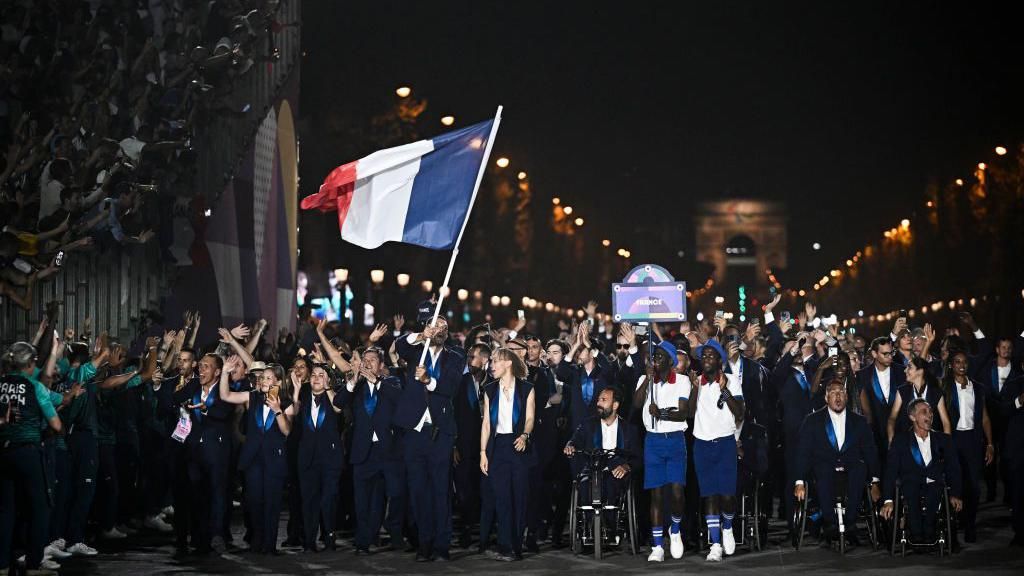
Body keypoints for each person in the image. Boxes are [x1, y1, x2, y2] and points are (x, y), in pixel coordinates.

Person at [394, 314, 465, 562]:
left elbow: (451, 387)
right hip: (414, 432)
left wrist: (428, 380)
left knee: (440, 490)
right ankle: (424, 544)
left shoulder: (456, 356)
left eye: (444, 327)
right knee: (418, 490)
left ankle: (442, 545)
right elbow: (399, 346)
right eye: (436, 326)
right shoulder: (416, 351)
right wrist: (419, 335)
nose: (439, 330)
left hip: (440, 433)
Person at [794, 380, 881, 547]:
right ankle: (830, 524)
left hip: (852, 466)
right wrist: (799, 482)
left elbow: (870, 452)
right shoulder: (812, 421)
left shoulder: (859, 422)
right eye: (833, 393)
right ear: (826, 397)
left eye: (841, 392)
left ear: (847, 397)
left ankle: (850, 523)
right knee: (822, 470)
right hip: (823, 467)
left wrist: (875, 481)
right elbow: (803, 452)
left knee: (860, 469)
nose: (838, 396)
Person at [0, 342, 63, 573]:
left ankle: (2, 565)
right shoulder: (35, 387)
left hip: (4, 452)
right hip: (28, 452)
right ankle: (34, 563)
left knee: (6, 510)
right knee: (40, 508)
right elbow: (55, 424)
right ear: (28, 364)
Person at [218, 358, 292, 554]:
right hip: (253, 459)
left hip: (274, 459)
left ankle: (270, 544)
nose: (262, 380)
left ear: (277, 381)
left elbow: (287, 431)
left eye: (267, 378)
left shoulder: (286, 403)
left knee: (272, 503)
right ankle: (256, 542)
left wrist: (277, 411)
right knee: (254, 502)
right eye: (262, 377)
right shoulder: (252, 397)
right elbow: (225, 395)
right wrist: (225, 372)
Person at [337, 347, 405, 555]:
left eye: (372, 360)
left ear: (381, 365)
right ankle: (364, 541)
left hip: (388, 451)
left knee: (396, 494)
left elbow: (400, 400)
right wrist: (352, 381)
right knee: (364, 500)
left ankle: (395, 534)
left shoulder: (391, 383)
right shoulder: (354, 387)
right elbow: (338, 402)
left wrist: (377, 382)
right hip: (363, 452)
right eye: (364, 360)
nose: (367, 363)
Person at [632, 340, 690, 562]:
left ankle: (674, 530)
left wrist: (662, 413)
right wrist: (647, 378)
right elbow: (637, 404)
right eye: (653, 356)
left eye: (659, 356)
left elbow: (683, 412)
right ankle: (657, 546)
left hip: (675, 439)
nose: (654, 359)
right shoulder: (646, 379)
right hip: (653, 441)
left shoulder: (682, 381)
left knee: (676, 492)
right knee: (656, 494)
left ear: (670, 360)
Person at [172, 353, 233, 554]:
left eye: (207, 367)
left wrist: (206, 408)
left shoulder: (224, 390)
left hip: (216, 450)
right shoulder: (194, 386)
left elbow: (224, 412)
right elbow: (175, 398)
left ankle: (217, 535)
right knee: (197, 494)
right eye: (201, 366)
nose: (201, 370)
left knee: (217, 493)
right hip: (193, 451)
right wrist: (159, 383)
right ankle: (199, 535)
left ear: (217, 372)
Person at [479, 347, 536, 561]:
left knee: (519, 497)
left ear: (508, 363)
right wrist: (483, 452)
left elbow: (530, 417)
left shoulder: (526, 388)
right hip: (497, 447)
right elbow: (486, 424)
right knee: (501, 498)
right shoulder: (489, 389)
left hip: (518, 445)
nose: (491, 365)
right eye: (491, 361)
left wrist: (525, 435)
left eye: (495, 361)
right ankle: (505, 546)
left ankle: (516, 546)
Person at [690, 339, 744, 562]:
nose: (706, 359)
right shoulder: (697, 382)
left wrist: (726, 391)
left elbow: (740, 413)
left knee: (727, 495)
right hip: (702, 443)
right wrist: (694, 389)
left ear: (720, 360)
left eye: (711, 356)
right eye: (703, 356)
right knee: (709, 494)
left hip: (725, 442)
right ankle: (715, 543)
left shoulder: (731, 380)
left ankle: (728, 527)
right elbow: (689, 413)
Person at [565, 386, 640, 544]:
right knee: (585, 486)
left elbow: (638, 458)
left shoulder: (629, 430)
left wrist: (626, 467)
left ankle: (610, 528)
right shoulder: (587, 425)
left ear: (615, 405)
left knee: (612, 484)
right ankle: (589, 527)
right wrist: (570, 445)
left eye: (604, 400)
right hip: (592, 469)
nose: (598, 403)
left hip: (615, 471)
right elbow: (575, 440)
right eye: (599, 399)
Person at [881, 399, 963, 544]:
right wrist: (888, 500)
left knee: (935, 489)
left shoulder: (943, 440)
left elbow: (954, 469)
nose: (930, 415)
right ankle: (917, 533)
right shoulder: (900, 441)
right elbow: (890, 471)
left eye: (931, 412)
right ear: (913, 417)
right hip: (910, 484)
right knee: (911, 490)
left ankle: (930, 531)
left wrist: (955, 494)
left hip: (934, 484)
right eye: (924, 412)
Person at [941, 351, 994, 544]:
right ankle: (956, 523)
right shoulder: (944, 387)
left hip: (972, 439)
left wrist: (989, 444)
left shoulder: (978, 388)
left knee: (973, 485)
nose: (961, 365)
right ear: (951, 365)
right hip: (953, 439)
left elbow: (985, 417)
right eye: (957, 362)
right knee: (956, 483)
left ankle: (970, 525)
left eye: (964, 362)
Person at [294, 363, 345, 552]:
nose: (316, 378)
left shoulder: (334, 397)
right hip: (307, 458)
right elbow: (294, 415)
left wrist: (329, 387)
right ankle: (309, 541)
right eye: (314, 374)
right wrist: (296, 391)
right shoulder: (304, 396)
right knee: (309, 500)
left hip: (330, 457)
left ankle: (329, 536)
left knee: (329, 499)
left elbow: (339, 408)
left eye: (321, 375)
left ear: (329, 379)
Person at [453, 343, 490, 549]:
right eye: (468, 357)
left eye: (473, 357)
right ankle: (466, 530)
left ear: (485, 360)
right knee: (464, 492)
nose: (469, 361)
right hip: (465, 448)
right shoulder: (460, 382)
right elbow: (452, 415)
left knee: (485, 492)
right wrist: (453, 446)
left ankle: (485, 533)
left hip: (490, 449)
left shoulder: (494, 383)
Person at [858, 337, 906, 471]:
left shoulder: (902, 372)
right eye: (885, 354)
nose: (890, 356)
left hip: (900, 431)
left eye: (891, 353)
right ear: (874, 354)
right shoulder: (863, 375)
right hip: (875, 434)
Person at [887, 356, 952, 444]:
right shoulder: (902, 391)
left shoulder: (936, 393)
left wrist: (947, 446)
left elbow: (945, 422)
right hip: (908, 443)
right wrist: (891, 440)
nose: (905, 370)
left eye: (909, 367)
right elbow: (892, 418)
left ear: (920, 371)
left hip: (931, 443)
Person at [1002, 373, 1024, 546]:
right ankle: (1019, 532)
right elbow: (1001, 410)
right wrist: (1019, 401)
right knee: (1018, 492)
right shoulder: (1013, 385)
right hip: (1018, 450)